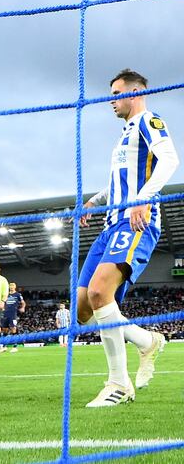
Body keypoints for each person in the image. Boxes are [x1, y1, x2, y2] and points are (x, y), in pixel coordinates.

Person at [76, 69, 177, 408]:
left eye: (116, 94)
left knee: (100, 291)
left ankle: (118, 384)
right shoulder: (124, 136)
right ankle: (146, 340)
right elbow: (120, 180)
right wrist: (95, 200)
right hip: (109, 225)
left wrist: (145, 198)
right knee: (82, 308)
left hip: (135, 223)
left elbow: (170, 160)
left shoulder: (150, 120)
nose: (111, 101)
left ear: (135, 92)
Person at [2, 282, 27, 353]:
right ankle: (4, 346)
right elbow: (2, 302)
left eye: (13, 286)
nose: (11, 287)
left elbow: (23, 302)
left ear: (15, 287)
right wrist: (2, 308)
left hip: (13, 314)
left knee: (13, 329)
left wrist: (23, 308)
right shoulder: (6, 294)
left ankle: (15, 346)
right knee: (5, 330)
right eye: (10, 286)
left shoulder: (18, 295)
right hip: (5, 314)